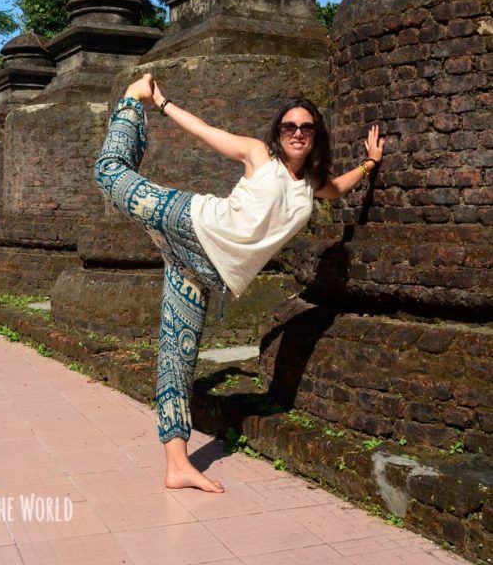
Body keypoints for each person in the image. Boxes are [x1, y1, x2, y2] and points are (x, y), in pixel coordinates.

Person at [94, 73, 384, 494]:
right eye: (289, 127)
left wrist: (370, 164)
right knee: (109, 174)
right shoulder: (258, 155)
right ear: (278, 132)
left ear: (316, 134)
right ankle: (130, 98)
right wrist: (160, 102)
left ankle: (177, 465)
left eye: (306, 127)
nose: (297, 133)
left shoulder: (310, 186)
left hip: (203, 271)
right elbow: (206, 132)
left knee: (178, 357)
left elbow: (337, 189)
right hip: (190, 222)